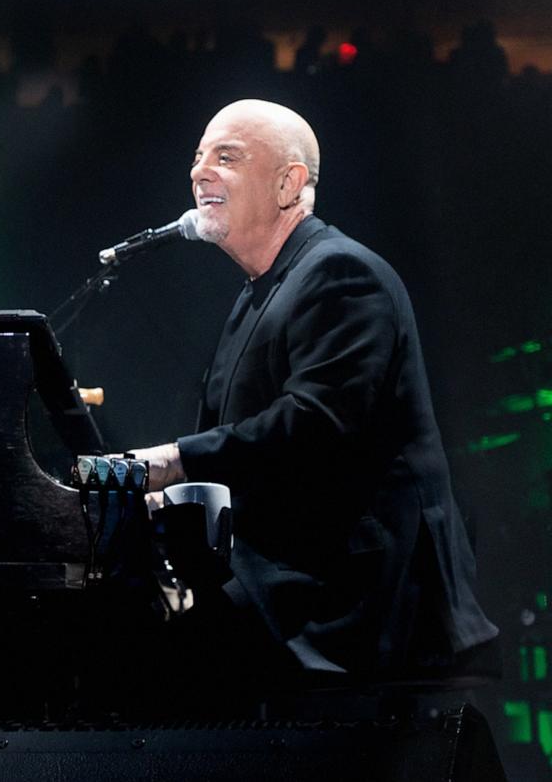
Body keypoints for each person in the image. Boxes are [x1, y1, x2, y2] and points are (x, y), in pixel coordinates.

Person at [128, 99, 497, 691]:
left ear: (288, 183)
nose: (200, 172)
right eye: (198, 157)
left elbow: (315, 426)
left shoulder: (342, 273)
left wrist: (172, 463)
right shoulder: (262, 288)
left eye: (227, 157)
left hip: (351, 604)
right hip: (296, 579)